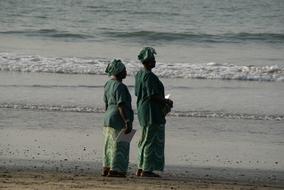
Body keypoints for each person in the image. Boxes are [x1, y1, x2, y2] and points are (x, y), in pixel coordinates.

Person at [135, 47, 173, 177]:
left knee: (145, 139)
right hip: (151, 111)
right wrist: (166, 101)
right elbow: (152, 95)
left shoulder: (139, 74)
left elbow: (139, 93)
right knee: (151, 139)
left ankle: (141, 167)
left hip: (143, 109)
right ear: (148, 62)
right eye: (153, 59)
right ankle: (147, 170)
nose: (155, 61)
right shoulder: (149, 76)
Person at [102, 59, 134, 177]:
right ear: (119, 72)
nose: (126, 72)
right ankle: (115, 170)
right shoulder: (120, 86)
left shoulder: (108, 84)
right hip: (118, 118)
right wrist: (127, 121)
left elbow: (106, 103)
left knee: (109, 144)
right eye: (124, 70)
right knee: (119, 145)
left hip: (108, 117)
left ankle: (106, 167)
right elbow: (121, 105)